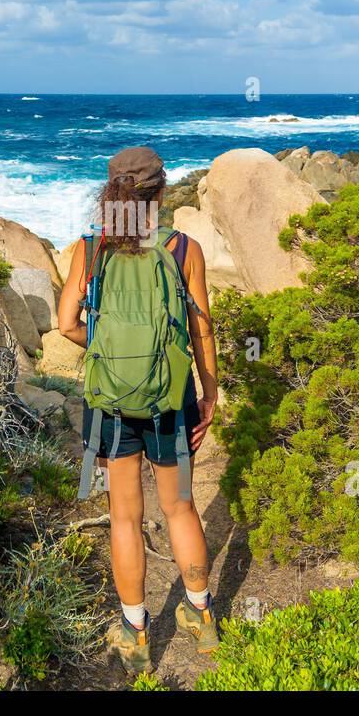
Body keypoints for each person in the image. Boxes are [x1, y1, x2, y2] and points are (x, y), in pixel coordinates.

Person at [56, 146, 219, 672]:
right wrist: (209, 392)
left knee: (125, 516)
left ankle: (136, 630)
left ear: (111, 190)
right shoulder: (181, 248)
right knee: (180, 508)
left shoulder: (90, 249)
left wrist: (105, 348)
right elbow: (201, 329)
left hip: (110, 403)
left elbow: (65, 325)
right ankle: (200, 615)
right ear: (160, 192)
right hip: (172, 400)